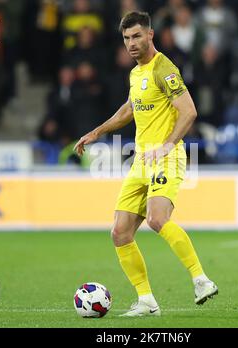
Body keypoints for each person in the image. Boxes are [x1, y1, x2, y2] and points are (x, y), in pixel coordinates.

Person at [74, 11, 218, 317]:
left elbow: (189, 111)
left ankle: (201, 279)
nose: (131, 44)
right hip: (142, 159)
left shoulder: (163, 68)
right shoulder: (136, 72)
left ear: (150, 34)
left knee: (156, 219)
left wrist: (167, 145)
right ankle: (147, 301)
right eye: (126, 38)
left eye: (137, 36)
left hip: (166, 156)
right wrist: (97, 132)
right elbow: (131, 107)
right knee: (120, 232)